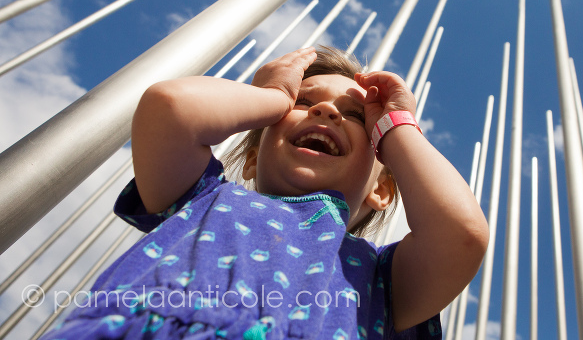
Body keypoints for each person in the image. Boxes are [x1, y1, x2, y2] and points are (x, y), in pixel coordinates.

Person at [40, 46, 488, 339]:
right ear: (252, 159)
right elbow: (169, 108)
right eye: (303, 102)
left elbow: (462, 233)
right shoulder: (202, 198)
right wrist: (273, 94)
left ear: (383, 191)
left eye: (355, 116)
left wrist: (395, 125)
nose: (326, 109)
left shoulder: (379, 277)